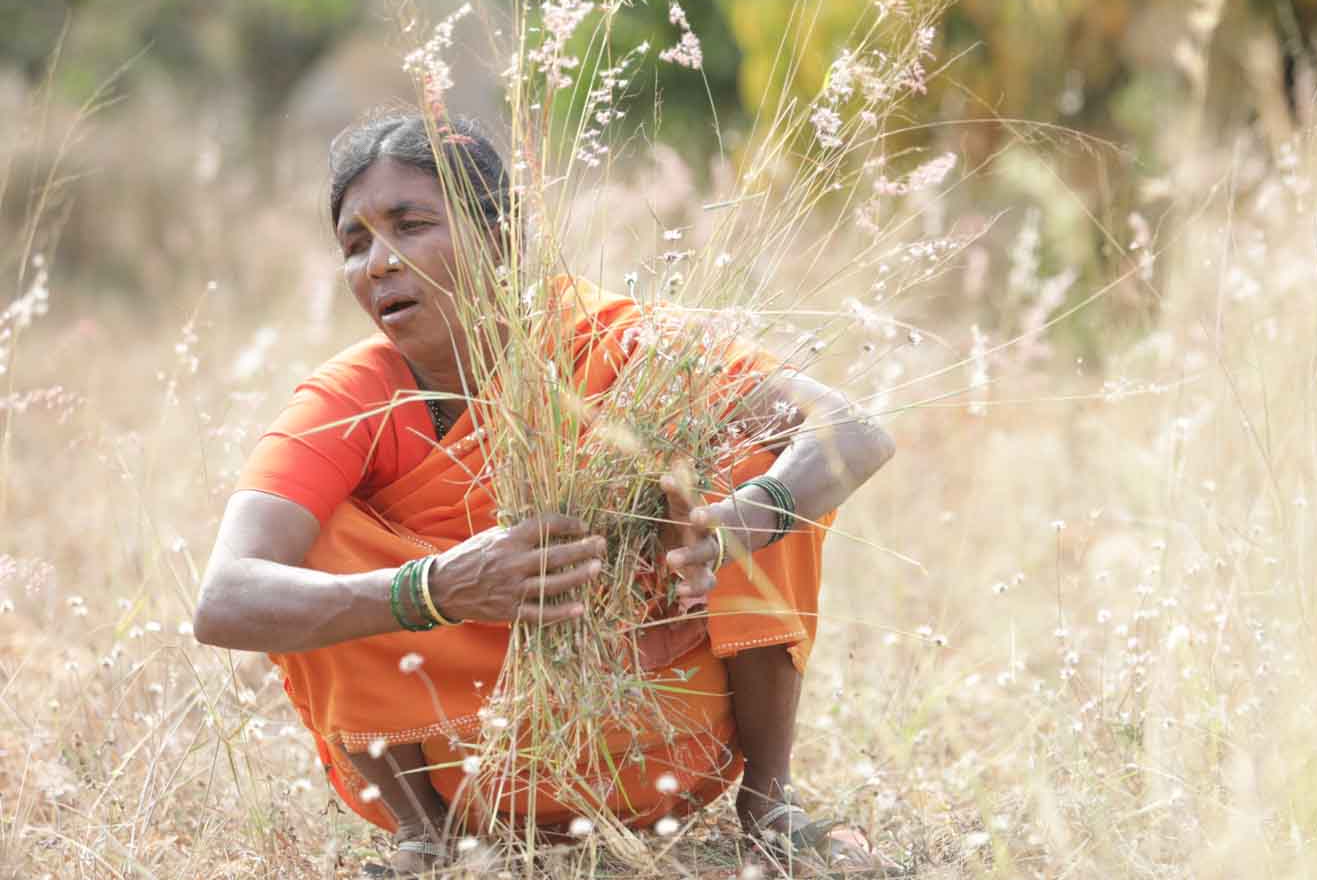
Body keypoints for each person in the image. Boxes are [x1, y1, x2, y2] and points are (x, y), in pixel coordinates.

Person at [192, 114, 899, 875]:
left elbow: (851, 430)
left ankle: (769, 808)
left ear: (501, 239)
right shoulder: (347, 401)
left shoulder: (620, 342)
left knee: (746, 459)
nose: (380, 263)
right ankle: (428, 842)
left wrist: (733, 529)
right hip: (470, 776)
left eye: (411, 225)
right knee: (318, 535)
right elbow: (225, 597)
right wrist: (433, 588)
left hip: (665, 745)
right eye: (355, 244)